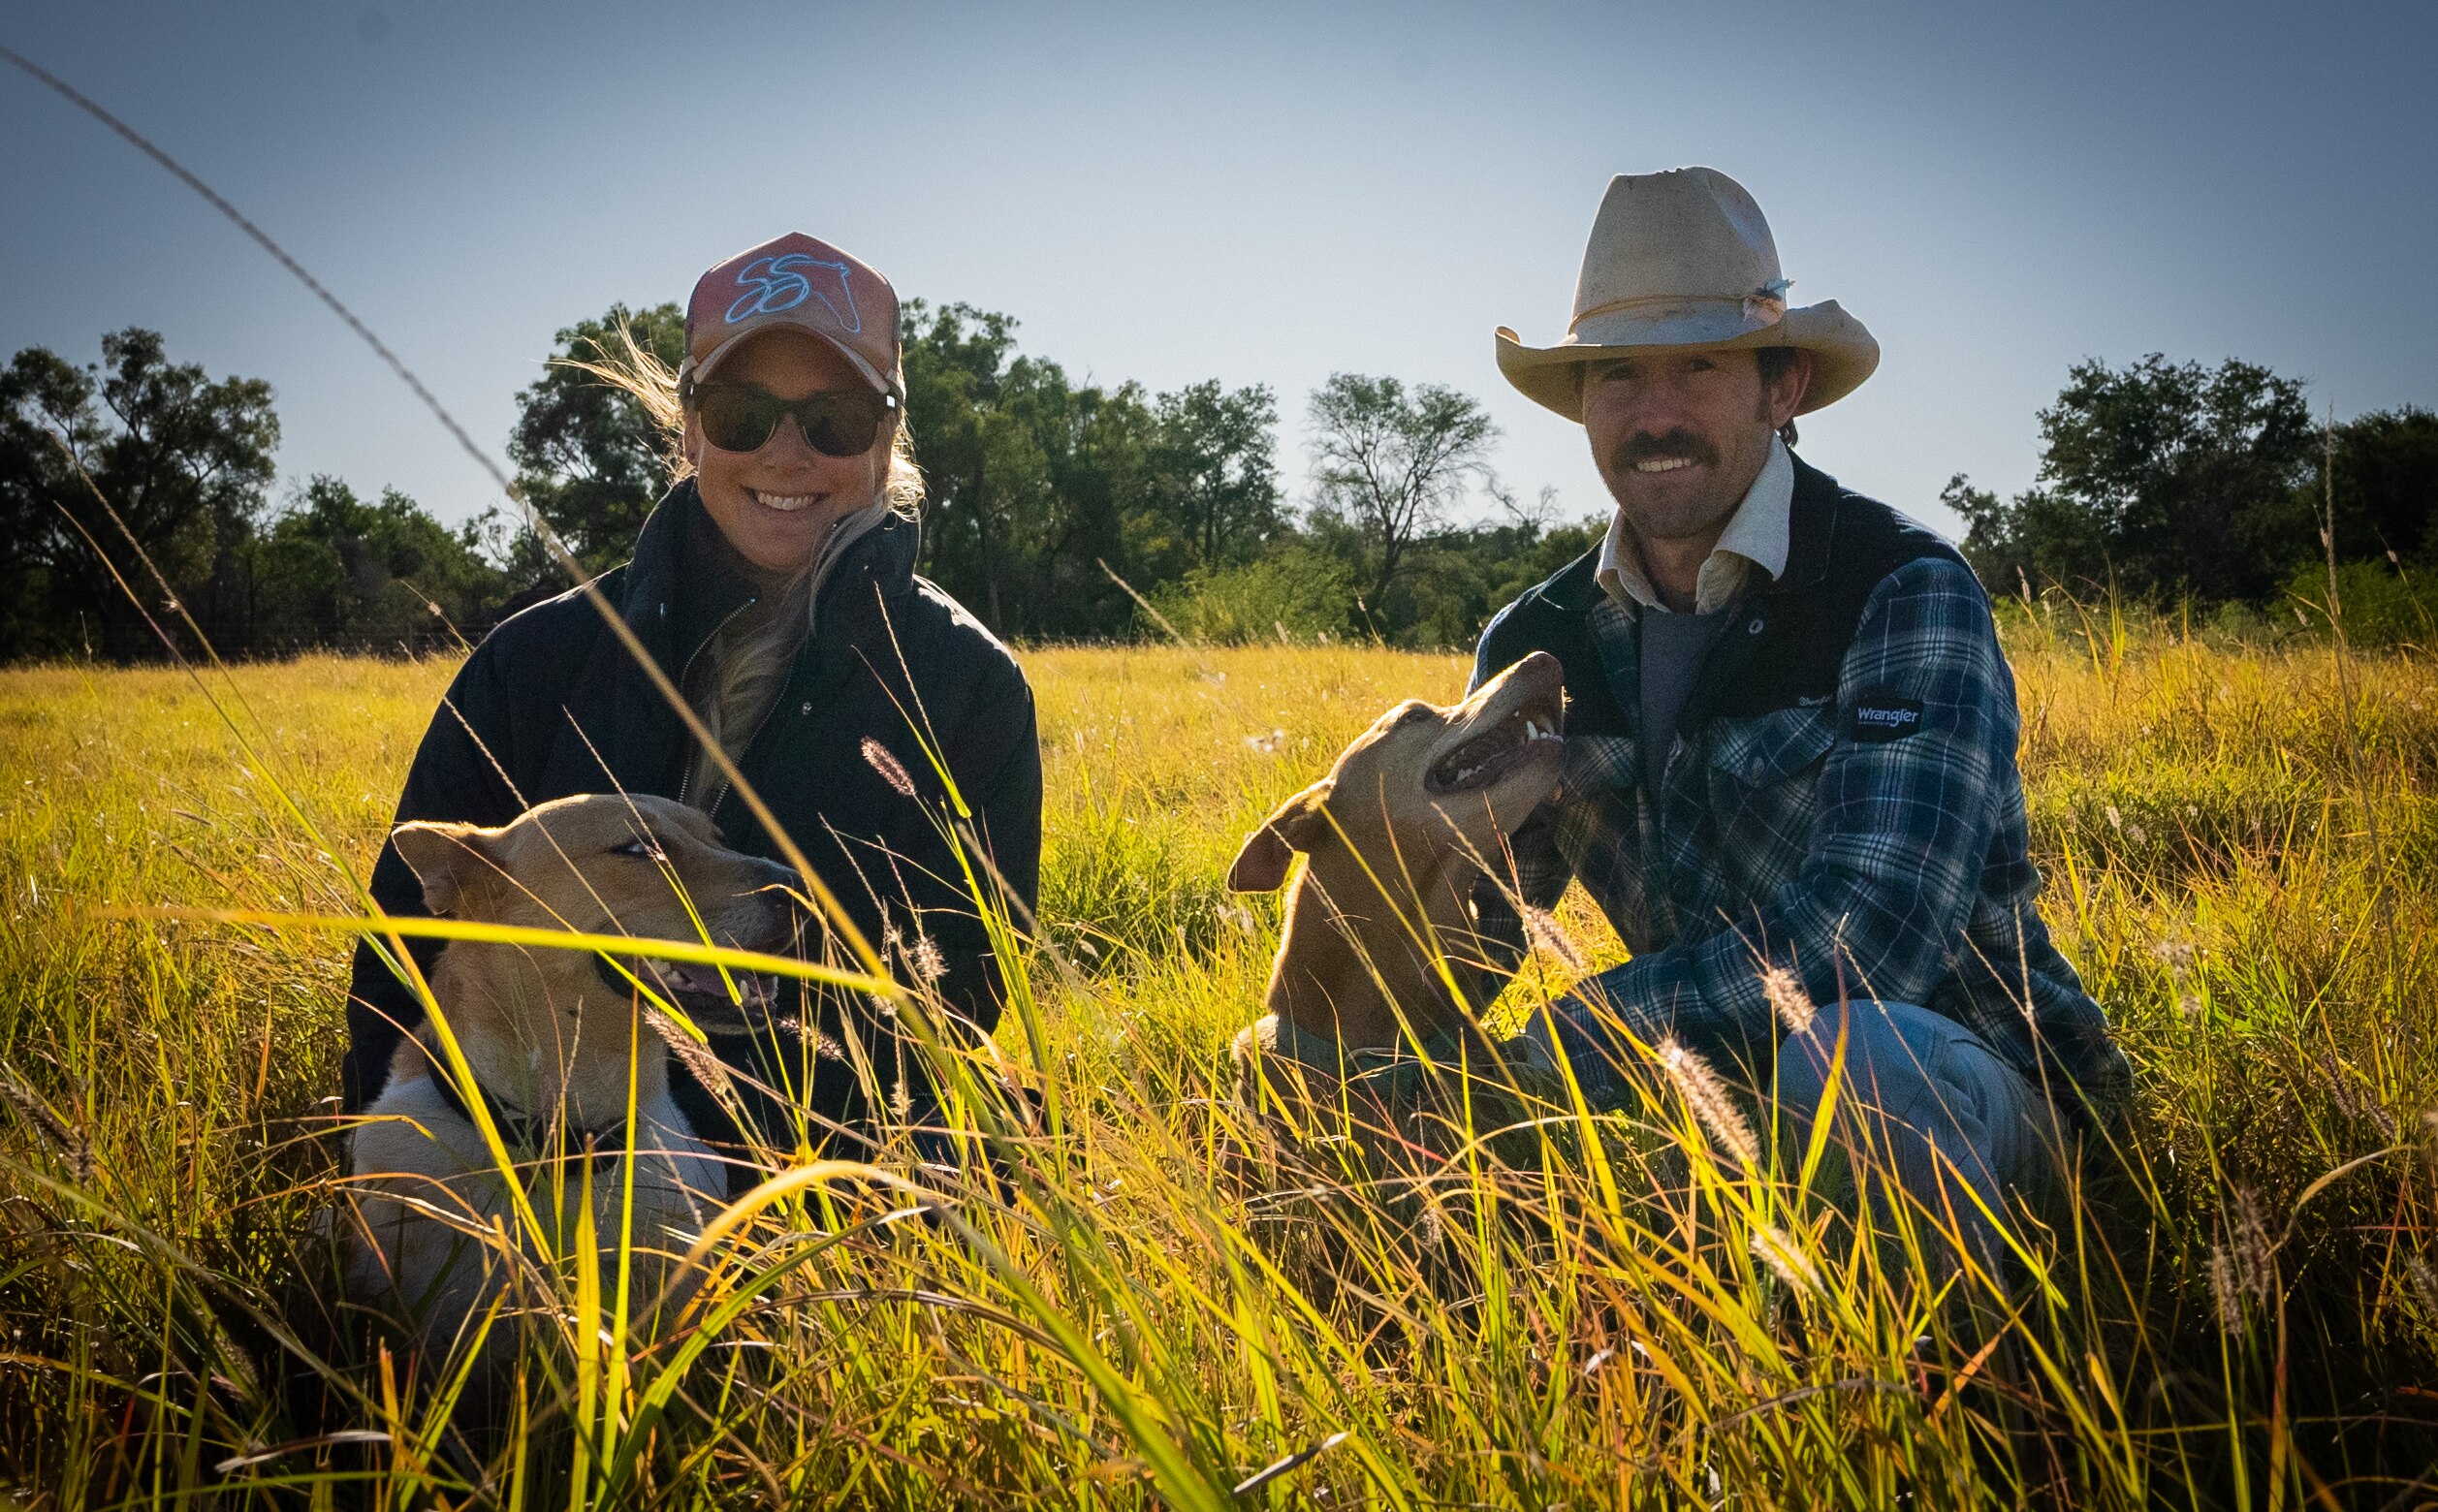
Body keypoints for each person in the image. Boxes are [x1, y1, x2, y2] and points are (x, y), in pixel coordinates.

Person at [1472, 169, 2128, 1275]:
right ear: (1580, 402)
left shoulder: (1896, 586)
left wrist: (1566, 1039)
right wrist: (1368, 1033)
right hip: (1704, 1098)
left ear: (1783, 388)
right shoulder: (1536, 645)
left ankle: (1958, 1412)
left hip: (1971, 1082)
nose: (1656, 412)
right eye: (1618, 372)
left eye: (1699, 366)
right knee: (1398, 1120)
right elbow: (1481, 922)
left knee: (1853, 1063)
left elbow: (1875, 937)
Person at [340, 233, 1042, 1184]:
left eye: (834, 418)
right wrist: (401, 1209)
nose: (786, 454)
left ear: (888, 431)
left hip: (811, 1213)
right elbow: (406, 960)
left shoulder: (966, 684)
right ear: (689, 430)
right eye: (742, 412)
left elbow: (951, 1001)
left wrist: (714, 1189)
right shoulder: (535, 662)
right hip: (520, 1191)